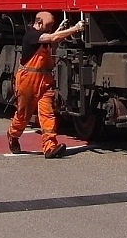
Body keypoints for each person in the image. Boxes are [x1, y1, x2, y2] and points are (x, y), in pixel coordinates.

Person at [7, 11, 83, 159]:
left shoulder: (40, 36)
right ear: (39, 23)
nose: (48, 30)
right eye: (47, 27)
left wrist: (60, 29)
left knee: (47, 113)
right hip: (28, 79)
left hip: (44, 79)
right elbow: (51, 38)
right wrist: (75, 28)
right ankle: (13, 134)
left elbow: (52, 39)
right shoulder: (31, 35)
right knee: (23, 115)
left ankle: (49, 147)